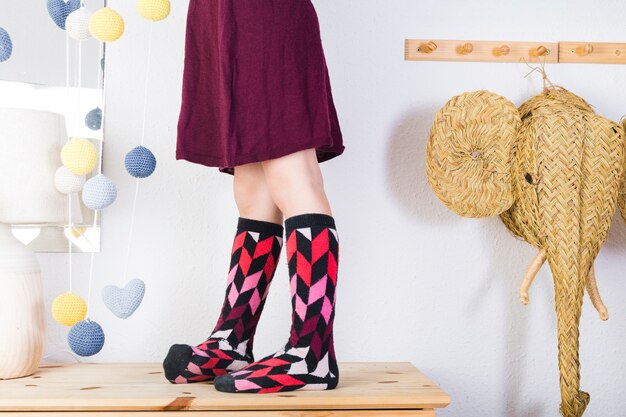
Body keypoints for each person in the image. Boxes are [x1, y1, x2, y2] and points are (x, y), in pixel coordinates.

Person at [162, 0, 344, 394]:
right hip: (216, 17)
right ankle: (233, 340)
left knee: (292, 174)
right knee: (250, 185)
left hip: (266, 11)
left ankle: (312, 354)